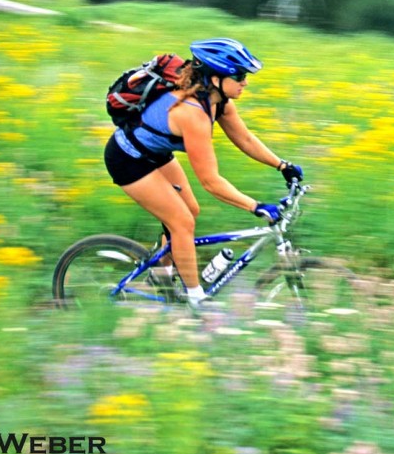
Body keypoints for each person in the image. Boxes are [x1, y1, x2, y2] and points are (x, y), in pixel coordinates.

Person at [103, 38, 303, 309]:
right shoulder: (192, 114)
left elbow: (244, 139)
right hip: (128, 159)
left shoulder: (218, 101)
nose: (245, 82)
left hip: (155, 154)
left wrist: (282, 165)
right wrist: (256, 207)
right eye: (240, 76)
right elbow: (210, 181)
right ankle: (196, 298)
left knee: (190, 211)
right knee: (182, 221)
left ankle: (161, 275)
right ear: (216, 78)